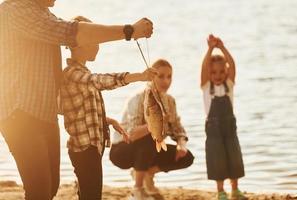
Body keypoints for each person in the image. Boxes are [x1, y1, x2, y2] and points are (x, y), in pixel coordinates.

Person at [0, 0, 153, 199]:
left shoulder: (44, 13)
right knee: (39, 190)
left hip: (44, 115)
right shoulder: (16, 11)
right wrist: (129, 30)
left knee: (50, 187)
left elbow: (59, 88)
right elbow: (73, 33)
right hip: (20, 116)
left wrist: (97, 117)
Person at [60, 15, 157, 200]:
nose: (98, 45)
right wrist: (139, 76)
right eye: (95, 41)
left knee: (88, 194)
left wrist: (107, 120)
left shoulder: (81, 73)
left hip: (91, 148)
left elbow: (78, 112)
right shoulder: (73, 74)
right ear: (77, 45)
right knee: (91, 195)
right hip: (84, 149)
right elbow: (100, 81)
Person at [110, 59, 194, 200]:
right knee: (150, 138)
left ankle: (147, 173)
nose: (165, 81)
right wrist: (153, 124)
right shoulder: (138, 98)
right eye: (160, 76)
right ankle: (137, 190)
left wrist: (181, 145)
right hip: (122, 150)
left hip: (149, 150)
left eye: (169, 76)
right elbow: (131, 134)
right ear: (151, 77)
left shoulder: (170, 101)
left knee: (187, 157)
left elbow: (178, 129)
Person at [200, 34, 247, 200]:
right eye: (214, 72)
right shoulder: (206, 87)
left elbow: (232, 64)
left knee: (234, 157)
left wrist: (222, 47)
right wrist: (210, 49)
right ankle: (220, 191)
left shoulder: (229, 85)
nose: (218, 75)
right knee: (217, 158)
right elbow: (205, 67)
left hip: (229, 129)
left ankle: (235, 189)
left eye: (221, 71)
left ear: (226, 71)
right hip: (213, 132)